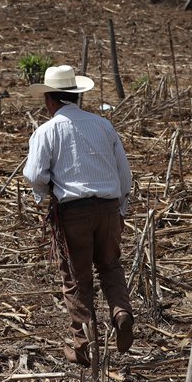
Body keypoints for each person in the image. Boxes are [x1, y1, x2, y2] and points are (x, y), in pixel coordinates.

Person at [24, 65, 134, 366]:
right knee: (110, 266)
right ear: (76, 96)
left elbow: (33, 174)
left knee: (76, 278)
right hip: (109, 208)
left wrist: (45, 193)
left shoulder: (47, 131)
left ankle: (85, 345)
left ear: (49, 101)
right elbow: (125, 175)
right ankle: (121, 312)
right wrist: (121, 208)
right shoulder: (103, 125)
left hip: (73, 213)